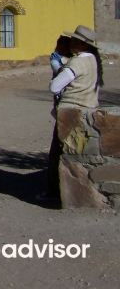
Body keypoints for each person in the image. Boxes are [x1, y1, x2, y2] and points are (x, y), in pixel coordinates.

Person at [44, 25, 104, 201]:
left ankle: (55, 193)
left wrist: (58, 70)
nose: (71, 43)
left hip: (70, 113)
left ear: (81, 44)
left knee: (58, 154)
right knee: (76, 152)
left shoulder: (77, 62)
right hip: (88, 110)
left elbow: (54, 86)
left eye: (75, 41)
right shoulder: (93, 59)